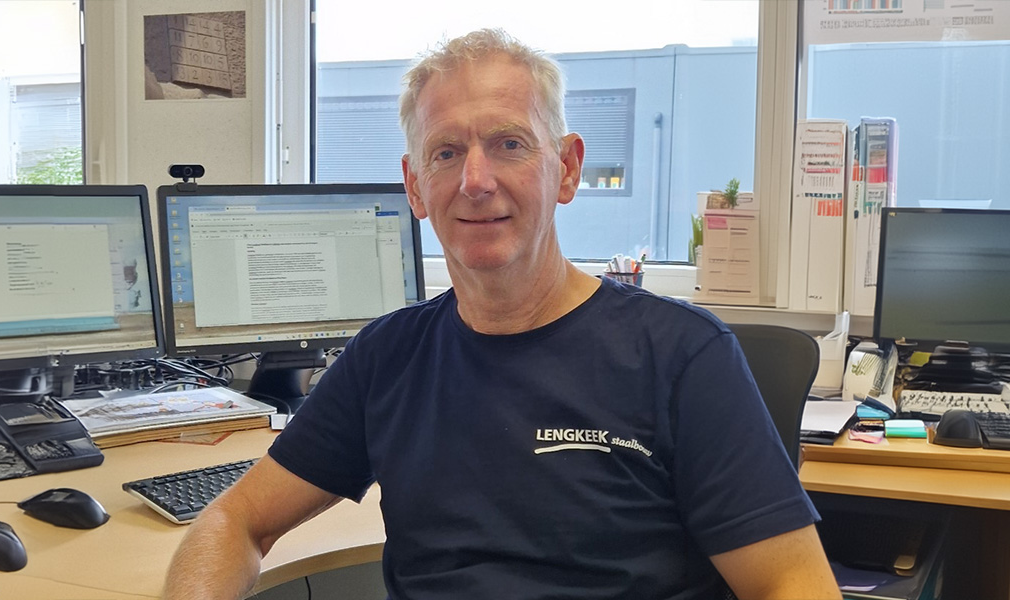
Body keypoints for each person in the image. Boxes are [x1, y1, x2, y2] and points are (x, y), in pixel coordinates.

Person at [164, 28, 841, 600]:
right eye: (446, 153)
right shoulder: (386, 359)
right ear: (415, 187)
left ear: (567, 168)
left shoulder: (681, 355)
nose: (476, 181)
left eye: (509, 144)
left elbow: (790, 583)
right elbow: (234, 521)